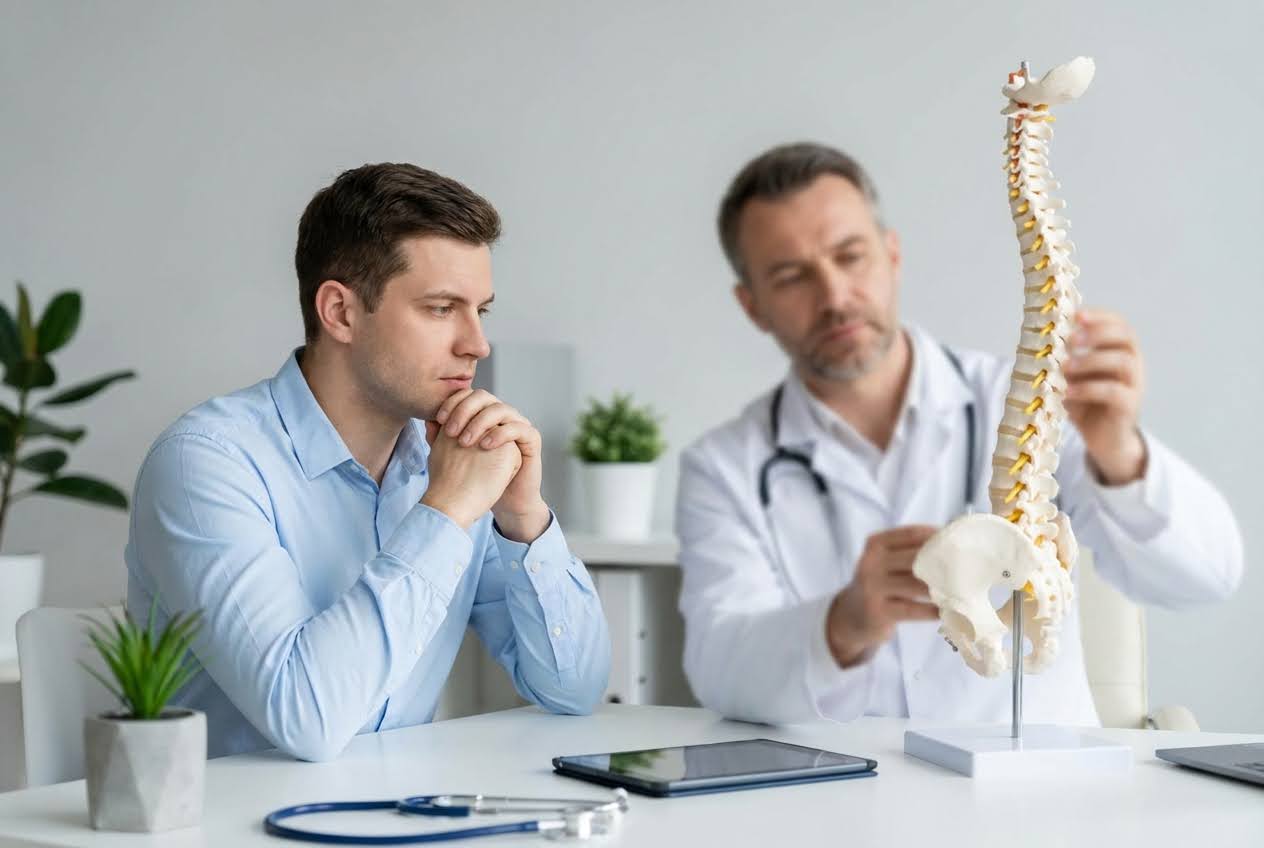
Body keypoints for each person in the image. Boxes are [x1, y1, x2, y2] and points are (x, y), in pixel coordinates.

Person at [675, 142, 1242, 725]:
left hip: (1039, 801)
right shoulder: (723, 468)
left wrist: (1120, 452)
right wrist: (842, 622)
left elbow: (1207, 577)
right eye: (792, 277)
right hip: (841, 801)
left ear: (892, 255)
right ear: (753, 307)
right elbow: (718, 666)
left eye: (851, 255)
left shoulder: (1027, 405)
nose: (835, 297)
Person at [126, 163, 610, 760]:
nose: (477, 344)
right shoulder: (205, 465)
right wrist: (447, 510)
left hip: (400, 817)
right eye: (441, 308)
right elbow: (307, 718)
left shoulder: (452, 461)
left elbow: (574, 689)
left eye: (480, 310)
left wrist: (523, 516)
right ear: (341, 312)